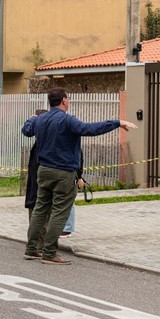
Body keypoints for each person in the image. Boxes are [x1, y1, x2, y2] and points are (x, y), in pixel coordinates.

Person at [22, 88, 135, 264]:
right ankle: (49, 253)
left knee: (40, 209)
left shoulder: (40, 119)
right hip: (63, 172)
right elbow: (89, 129)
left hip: (43, 170)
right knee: (59, 211)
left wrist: (33, 118)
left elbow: (26, 130)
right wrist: (117, 122)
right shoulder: (67, 120)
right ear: (64, 101)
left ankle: (31, 249)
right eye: (68, 99)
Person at [25, 108, 81, 236]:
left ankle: (39, 247)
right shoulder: (54, 139)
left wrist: (32, 119)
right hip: (49, 183)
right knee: (49, 211)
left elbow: (27, 129)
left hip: (46, 184)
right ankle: (44, 247)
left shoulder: (48, 143)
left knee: (46, 211)